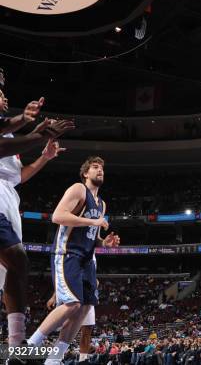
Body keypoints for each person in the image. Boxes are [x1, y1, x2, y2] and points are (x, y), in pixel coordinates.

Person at [0, 82, 75, 348]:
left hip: (7, 197)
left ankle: (15, 343)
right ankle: (17, 343)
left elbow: (17, 176)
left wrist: (44, 157)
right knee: (17, 260)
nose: (5, 96)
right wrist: (37, 133)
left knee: (13, 267)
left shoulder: (8, 133)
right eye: (0, 92)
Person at [27, 156, 120, 365]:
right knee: (72, 303)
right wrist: (92, 220)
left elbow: (91, 235)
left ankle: (54, 359)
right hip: (68, 253)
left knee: (85, 307)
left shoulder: (101, 204)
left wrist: (105, 243)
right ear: (85, 173)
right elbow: (58, 216)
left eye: (102, 168)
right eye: (95, 167)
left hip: (87, 259)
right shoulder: (78, 189)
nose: (100, 170)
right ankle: (26, 349)